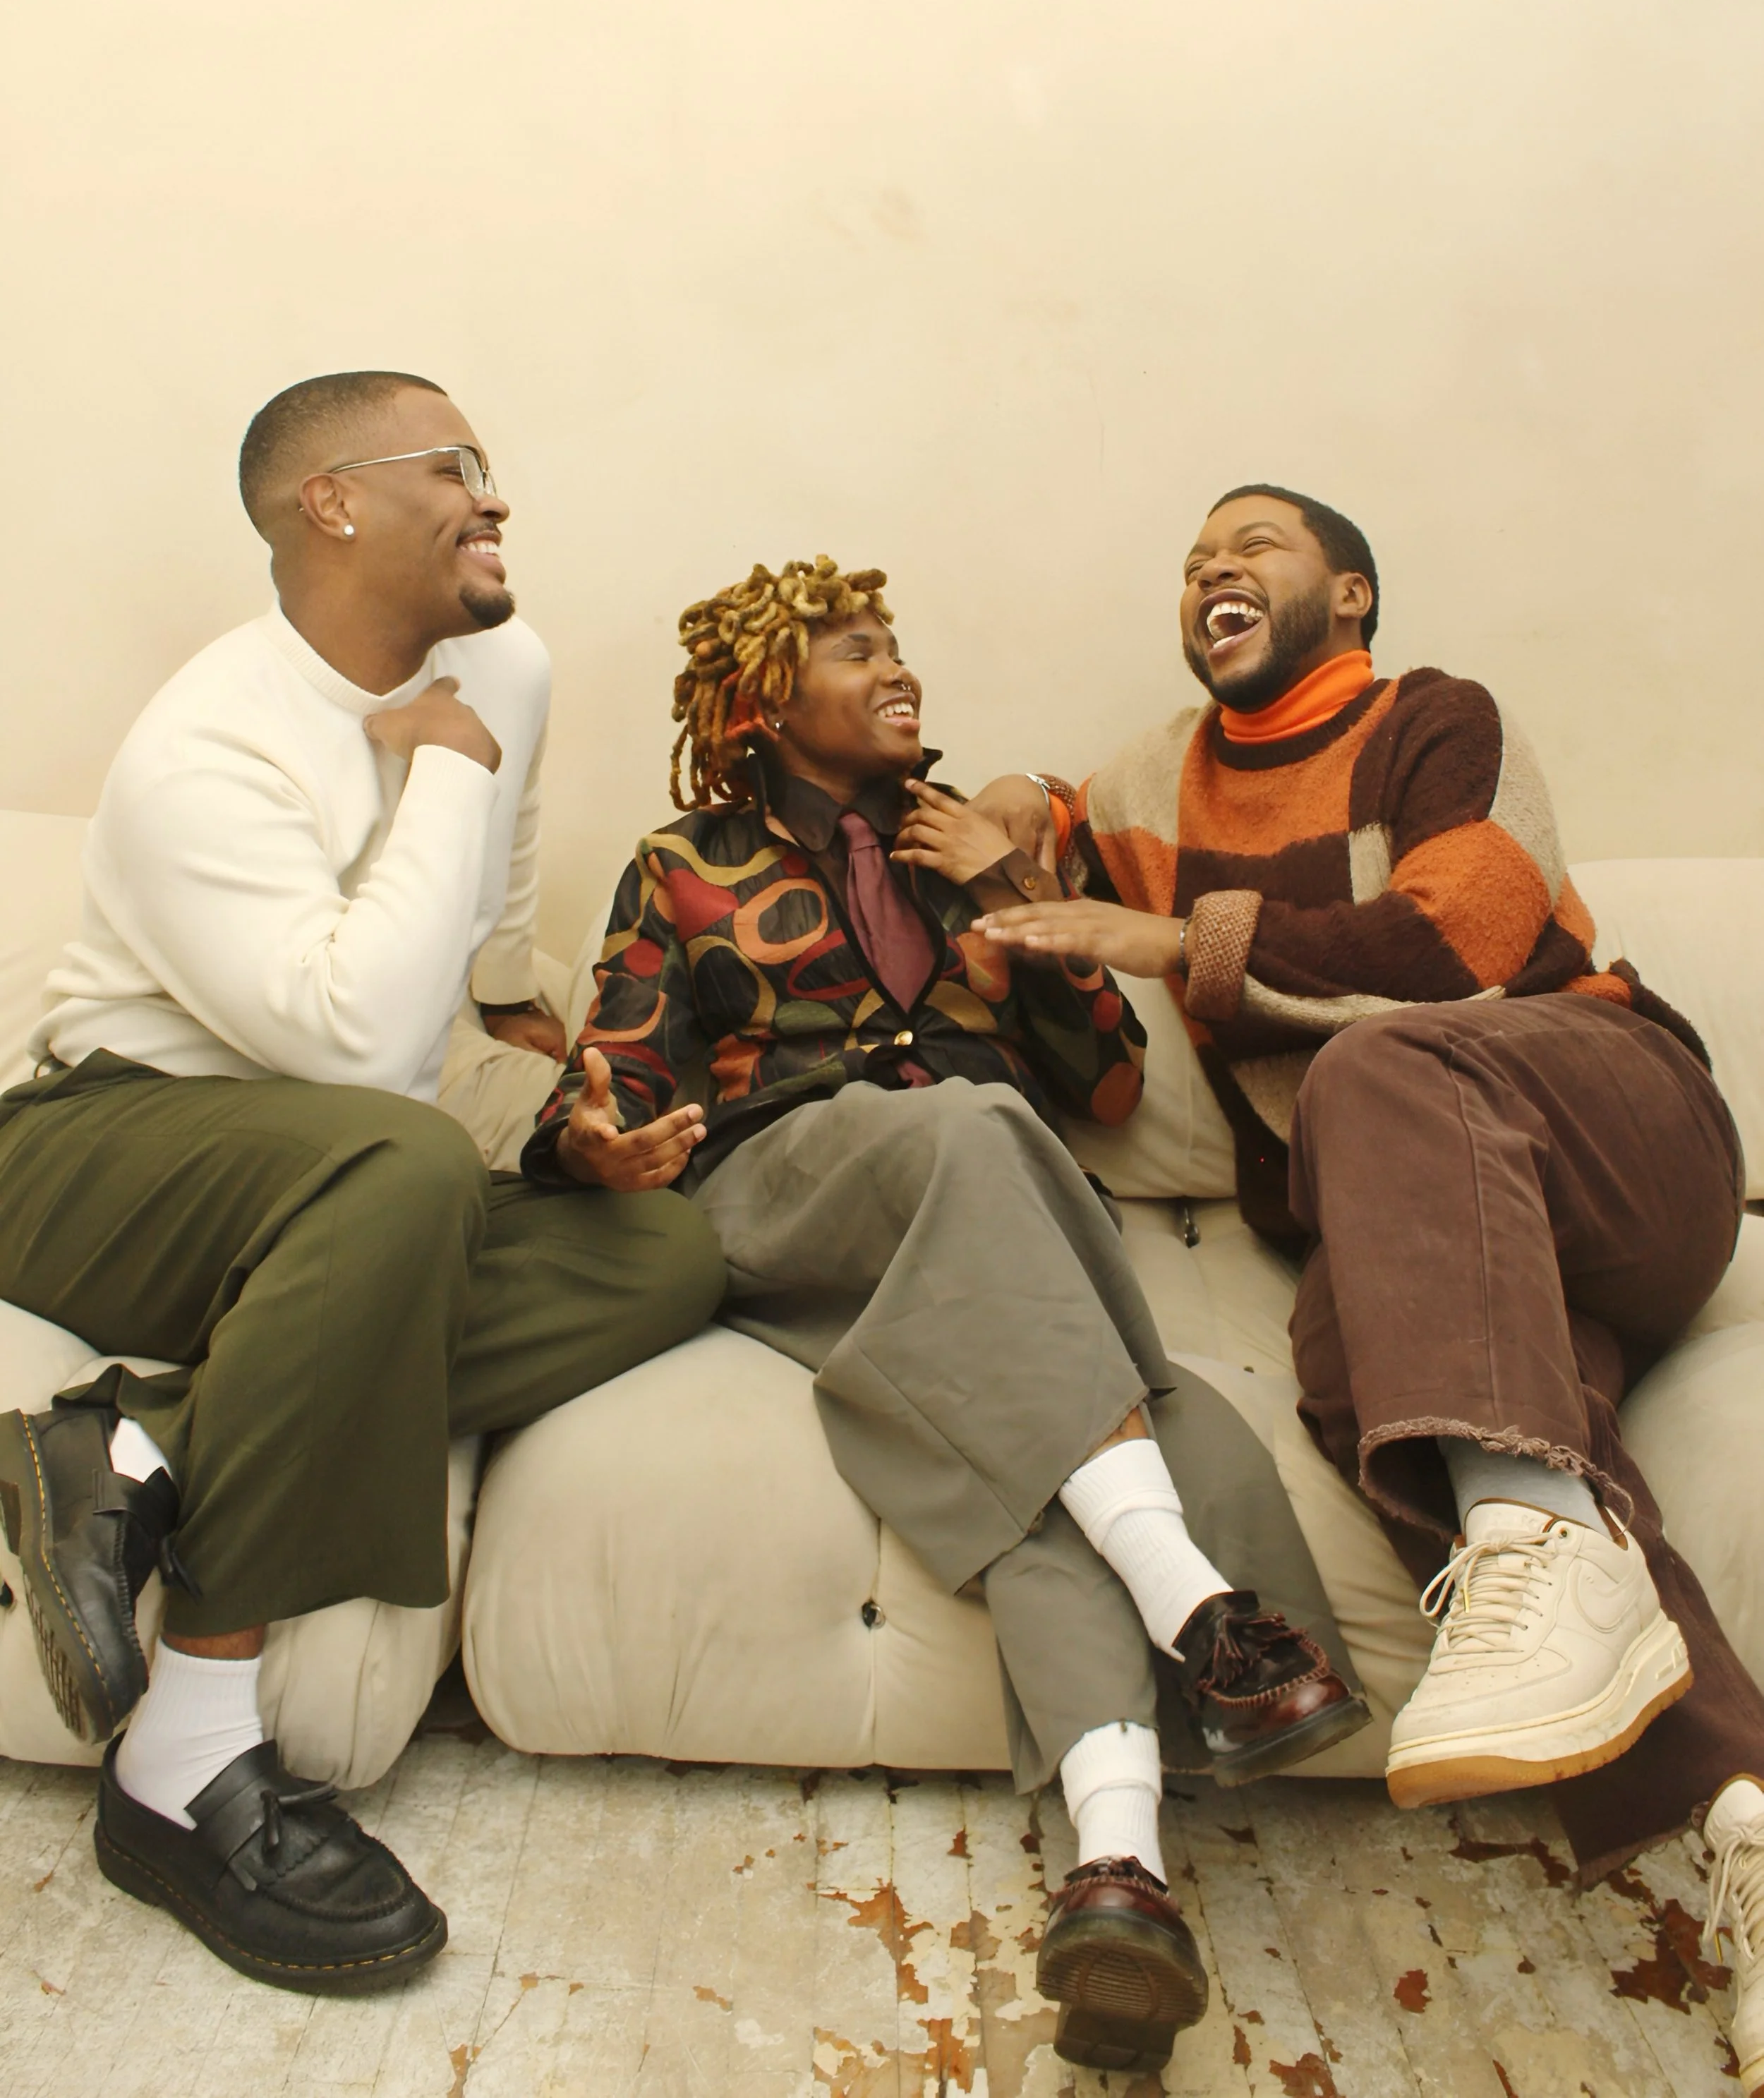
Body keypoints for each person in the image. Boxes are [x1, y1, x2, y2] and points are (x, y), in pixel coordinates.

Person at [960, 483, 1764, 2094]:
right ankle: (1729, 1805)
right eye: (1192, 560)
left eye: (1251, 546)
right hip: (1424, 1237)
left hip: (1607, 1130)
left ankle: (1531, 1539)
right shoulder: (1143, 781)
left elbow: (1459, 939)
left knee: (1381, 1064)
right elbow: (1046, 814)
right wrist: (1008, 814)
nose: (1211, 571)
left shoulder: (1430, 718)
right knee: (1356, 1370)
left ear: (1351, 592)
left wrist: (1170, 933)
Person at [525, 555, 1370, 2075]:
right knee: (976, 1134)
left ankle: (1120, 1880)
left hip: (987, 1232)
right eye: (856, 650)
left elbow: (1106, 1082)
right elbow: (617, 1077)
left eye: (896, 642)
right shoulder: (685, 859)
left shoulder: (968, 844)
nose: (897, 667)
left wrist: (1003, 887)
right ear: (762, 701)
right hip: (787, 1202)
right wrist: (589, 1144)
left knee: (1087, 1447)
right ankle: (1196, 1604)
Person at [0, 372, 724, 1997]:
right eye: (453, 466)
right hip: (107, 1151)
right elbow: (341, 1054)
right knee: (396, 1158)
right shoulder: (205, 745)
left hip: (350, 1189)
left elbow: (497, 887)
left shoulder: (508, 664)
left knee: (662, 1252)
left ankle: (129, 1447)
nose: (495, 495)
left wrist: (531, 1024)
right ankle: (182, 1763)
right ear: (330, 503)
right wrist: (439, 768)